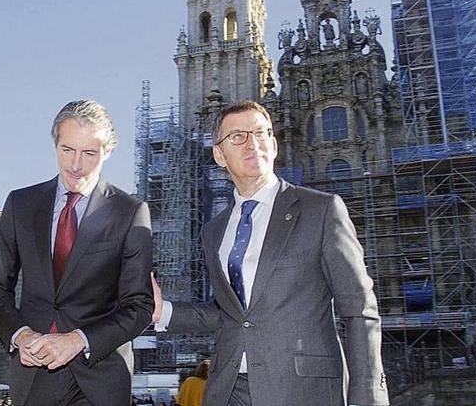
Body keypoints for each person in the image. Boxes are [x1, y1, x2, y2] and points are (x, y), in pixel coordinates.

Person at [152, 101, 388, 406]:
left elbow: (359, 308)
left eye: (261, 133)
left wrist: (368, 397)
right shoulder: (214, 230)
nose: (253, 143)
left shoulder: (321, 209)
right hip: (228, 389)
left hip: (301, 390)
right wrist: (164, 312)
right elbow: (234, 315)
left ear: (274, 144)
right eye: (238, 136)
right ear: (219, 155)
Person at [0, 100, 155, 406]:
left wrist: (78, 340)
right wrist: (20, 334)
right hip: (33, 369)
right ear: (55, 146)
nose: (76, 165)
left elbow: (140, 306)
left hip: (99, 376)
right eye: (67, 150)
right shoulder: (21, 204)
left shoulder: (130, 212)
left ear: (109, 152)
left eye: (90, 153)